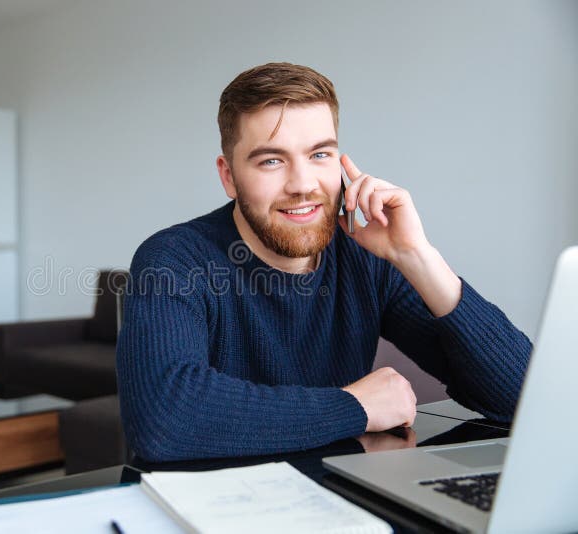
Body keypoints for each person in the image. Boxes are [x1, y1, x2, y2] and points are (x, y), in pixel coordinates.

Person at [116, 62, 531, 462]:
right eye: (271, 161)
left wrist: (417, 256)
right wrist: (353, 406)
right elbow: (165, 420)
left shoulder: (366, 258)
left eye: (319, 155)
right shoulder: (174, 260)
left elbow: (524, 398)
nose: (302, 185)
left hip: (343, 500)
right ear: (229, 176)